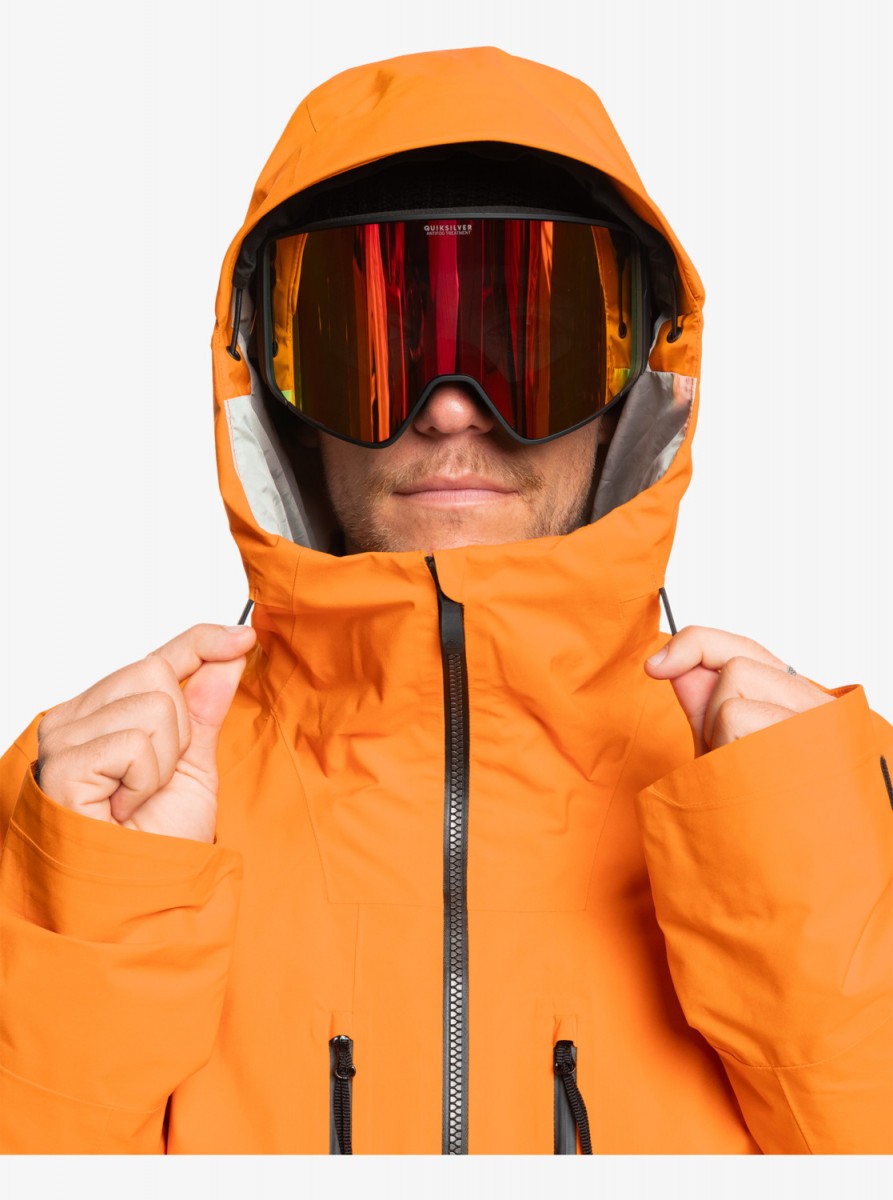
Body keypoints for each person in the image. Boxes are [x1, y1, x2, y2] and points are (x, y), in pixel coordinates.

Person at [0, 45, 890, 1155]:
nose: (452, 407)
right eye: (373, 345)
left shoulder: (819, 796)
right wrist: (92, 914)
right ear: (275, 396)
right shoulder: (91, 806)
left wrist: (814, 893)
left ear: (630, 396)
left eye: (531, 342)